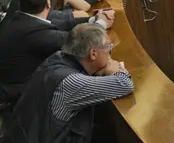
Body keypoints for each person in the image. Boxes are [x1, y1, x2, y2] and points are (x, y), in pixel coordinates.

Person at [1, 24, 134, 143]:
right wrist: (116, 69)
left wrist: (98, 70)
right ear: (93, 53)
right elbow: (124, 84)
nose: (109, 54)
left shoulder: (57, 58)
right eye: (107, 47)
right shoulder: (70, 83)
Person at [0, 0, 107, 103]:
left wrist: (92, 19)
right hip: (23, 96)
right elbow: (78, 41)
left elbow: (62, 23)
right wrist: (101, 24)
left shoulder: (21, 19)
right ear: (48, 3)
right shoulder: (33, 32)